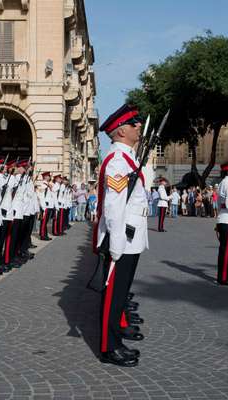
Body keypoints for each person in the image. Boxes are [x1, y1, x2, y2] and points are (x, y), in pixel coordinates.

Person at [95, 104, 148, 367]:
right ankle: (108, 347)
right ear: (120, 130)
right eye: (133, 123)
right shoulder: (117, 161)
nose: (138, 126)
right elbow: (114, 207)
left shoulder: (128, 157)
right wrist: (115, 244)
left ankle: (116, 340)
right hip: (121, 240)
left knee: (120, 294)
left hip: (131, 238)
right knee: (113, 298)